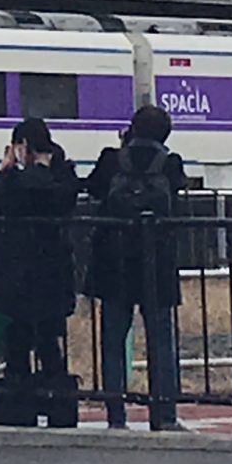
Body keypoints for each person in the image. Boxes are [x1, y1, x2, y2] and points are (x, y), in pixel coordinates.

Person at [84, 104, 190, 431]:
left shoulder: (111, 159)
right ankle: (165, 414)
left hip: (113, 262)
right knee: (161, 341)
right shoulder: (170, 164)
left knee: (113, 340)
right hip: (156, 262)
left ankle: (116, 415)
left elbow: (93, 187)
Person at [0, 117, 81, 428]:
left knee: (23, 342)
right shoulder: (63, 175)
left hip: (22, 274)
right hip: (50, 275)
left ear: (22, 146)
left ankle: (21, 403)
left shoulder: (25, 180)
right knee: (48, 342)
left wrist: (4, 171)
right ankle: (55, 400)